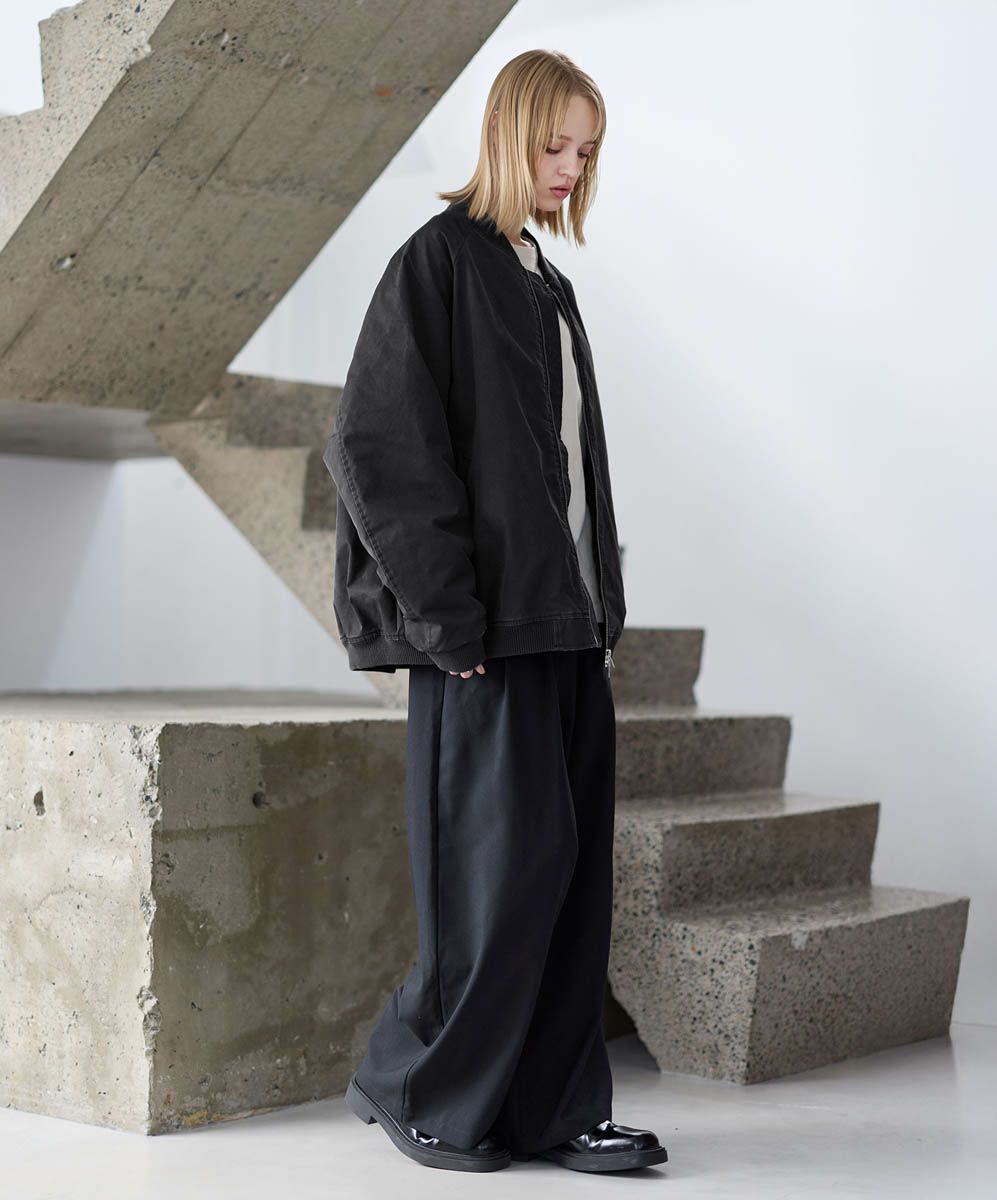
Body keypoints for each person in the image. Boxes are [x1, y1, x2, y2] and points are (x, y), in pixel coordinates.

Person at [324, 49, 668, 1174]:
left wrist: (600, 607)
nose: (570, 167)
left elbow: (563, 466)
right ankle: (417, 1087)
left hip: (566, 630)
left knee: (566, 884)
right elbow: (377, 445)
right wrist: (445, 618)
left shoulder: (543, 282)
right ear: (507, 134)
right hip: (483, 639)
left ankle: (556, 1110)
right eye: (554, 143)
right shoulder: (440, 262)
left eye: (585, 150)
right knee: (492, 885)